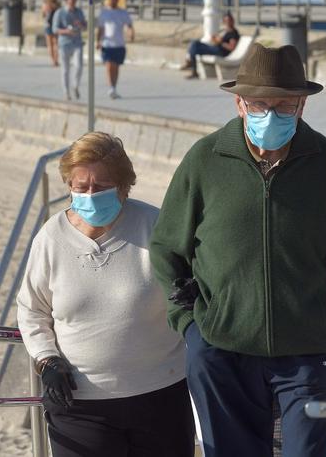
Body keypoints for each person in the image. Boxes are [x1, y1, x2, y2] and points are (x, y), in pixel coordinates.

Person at [149, 43, 326, 457]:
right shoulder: (205, 159)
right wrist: (190, 326)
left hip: (308, 349)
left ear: (302, 105)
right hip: (221, 348)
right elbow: (165, 246)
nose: (272, 115)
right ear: (239, 103)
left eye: (285, 105)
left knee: (306, 451)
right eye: (260, 104)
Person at [16, 132, 195, 457]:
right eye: (79, 187)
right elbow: (32, 310)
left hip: (160, 396)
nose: (89, 195)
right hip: (79, 405)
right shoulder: (51, 238)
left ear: (124, 185)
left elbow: (193, 284)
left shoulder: (155, 226)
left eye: (100, 187)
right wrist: (47, 360)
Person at [96, 0, 134, 99]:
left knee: (116, 67)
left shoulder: (122, 13)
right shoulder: (104, 13)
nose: (111, 1)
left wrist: (131, 34)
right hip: (107, 44)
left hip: (119, 44)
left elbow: (129, 25)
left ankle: (114, 86)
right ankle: (110, 87)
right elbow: (100, 28)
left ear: (117, 0)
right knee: (109, 66)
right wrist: (98, 41)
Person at [181, 12, 240, 79]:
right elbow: (218, 42)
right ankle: (191, 65)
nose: (228, 23)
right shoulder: (227, 31)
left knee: (195, 46)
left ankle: (192, 66)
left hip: (221, 52)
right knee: (195, 43)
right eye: (226, 21)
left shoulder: (233, 33)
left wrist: (220, 42)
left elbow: (231, 47)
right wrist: (215, 40)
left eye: (229, 21)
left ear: (233, 21)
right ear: (224, 21)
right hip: (217, 49)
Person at [52, 0, 86, 100]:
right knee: (65, 69)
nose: (72, 1)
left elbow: (85, 26)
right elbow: (55, 29)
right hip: (64, 43)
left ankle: (75, 86)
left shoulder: (79, 12)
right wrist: (66, 31)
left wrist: (81, 25)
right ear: (66, 0)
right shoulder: (60, 12)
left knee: (79, 66)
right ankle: (66, 92)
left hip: (77, 42)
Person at [41, 0, 60, 66]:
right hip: (56, 25)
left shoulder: (45, 5)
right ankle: (56, 59)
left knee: (50, 44)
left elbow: (43, 15)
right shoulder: (57, 5)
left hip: (48, 25)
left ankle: (53, 60)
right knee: (56, 43)